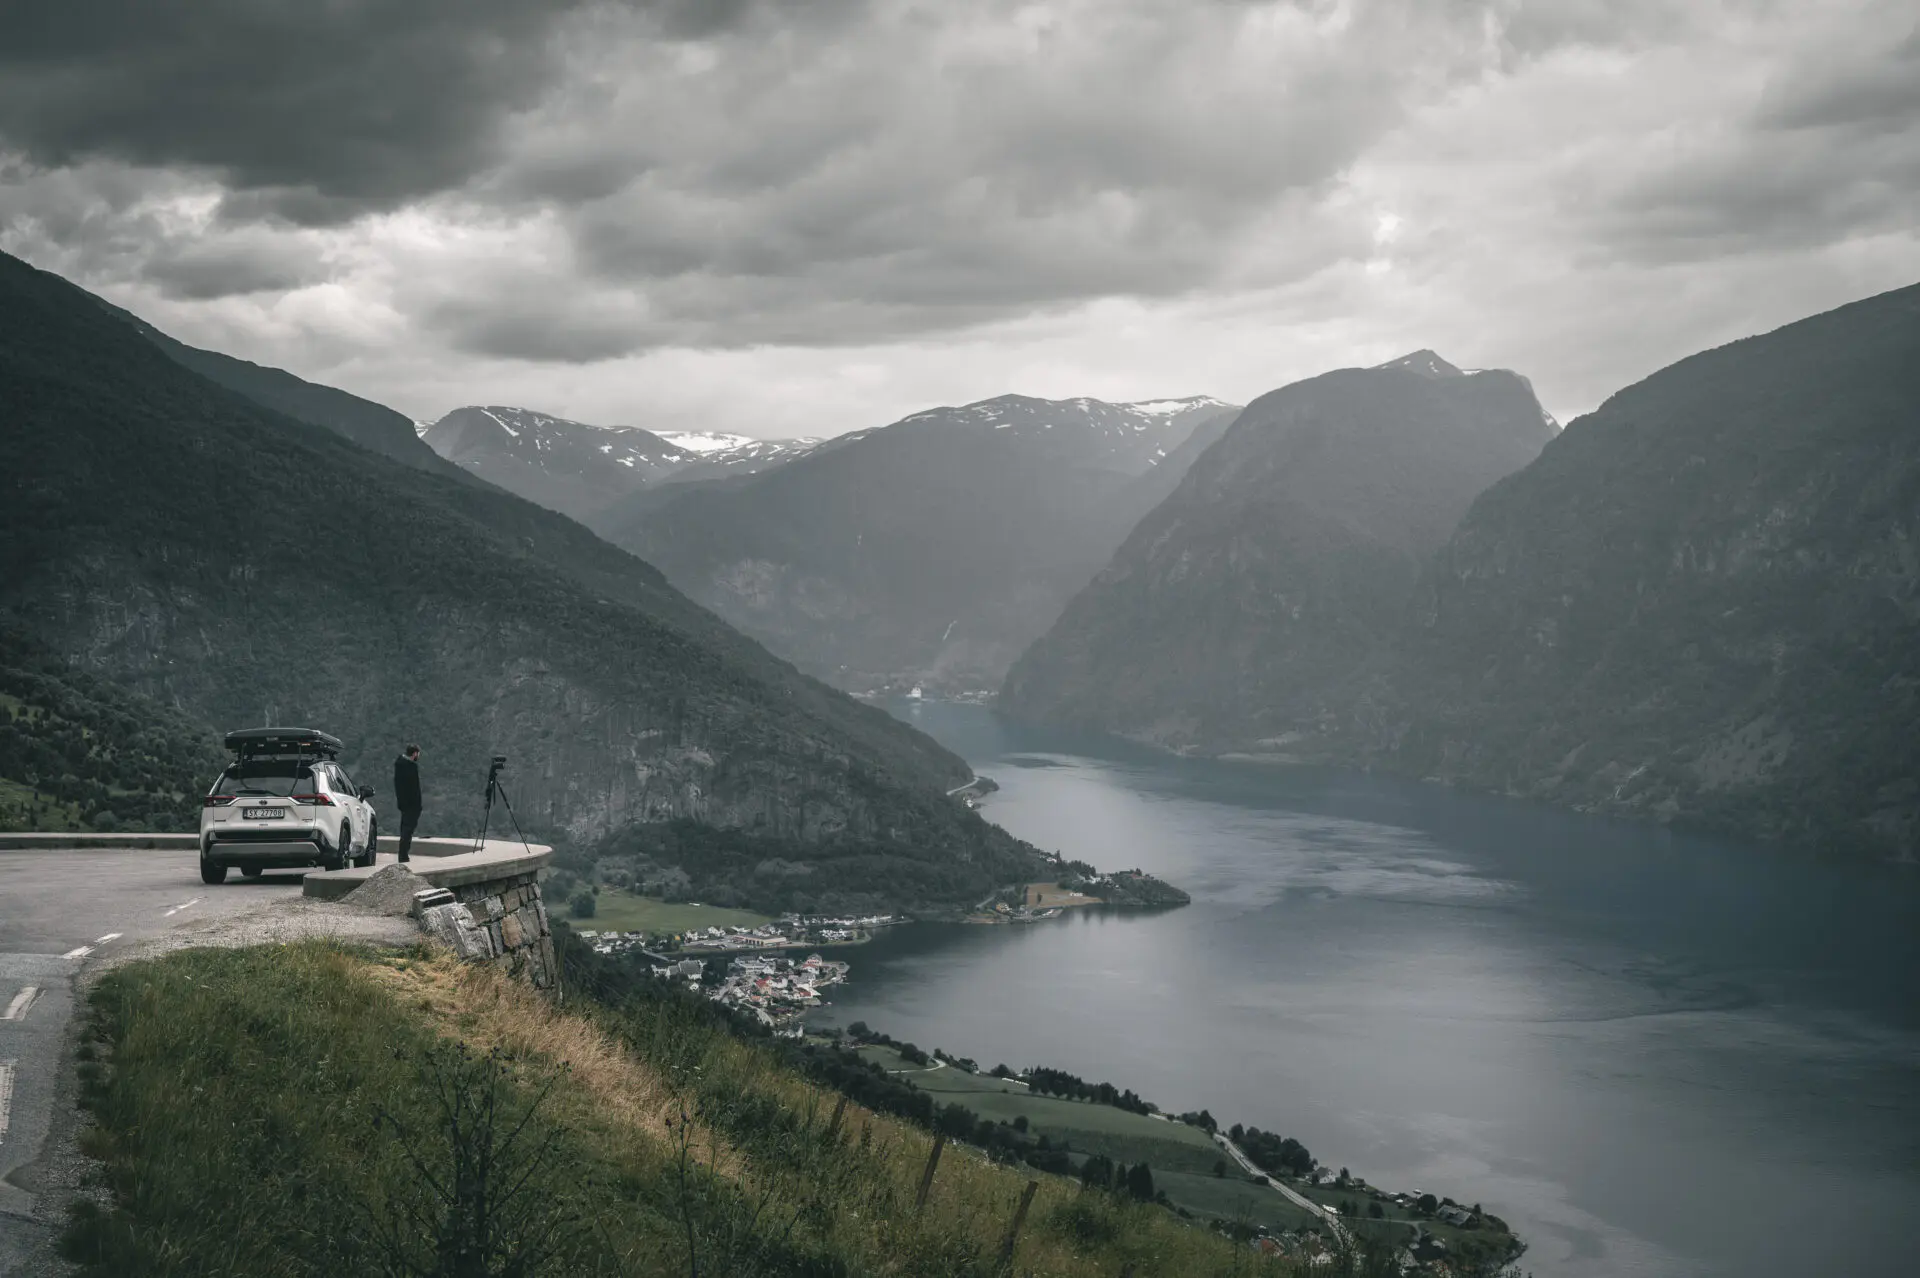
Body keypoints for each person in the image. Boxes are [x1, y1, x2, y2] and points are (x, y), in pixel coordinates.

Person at [392, 744, 422, 863]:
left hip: (404, 804)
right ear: (414, 753)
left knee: (405, 829)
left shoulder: (400, 765)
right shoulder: (409, 767)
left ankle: (403, 854)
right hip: (411, 804)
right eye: (418, 754)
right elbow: (413, 788)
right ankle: (403, 855)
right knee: (407, 830)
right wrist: (417, 804)